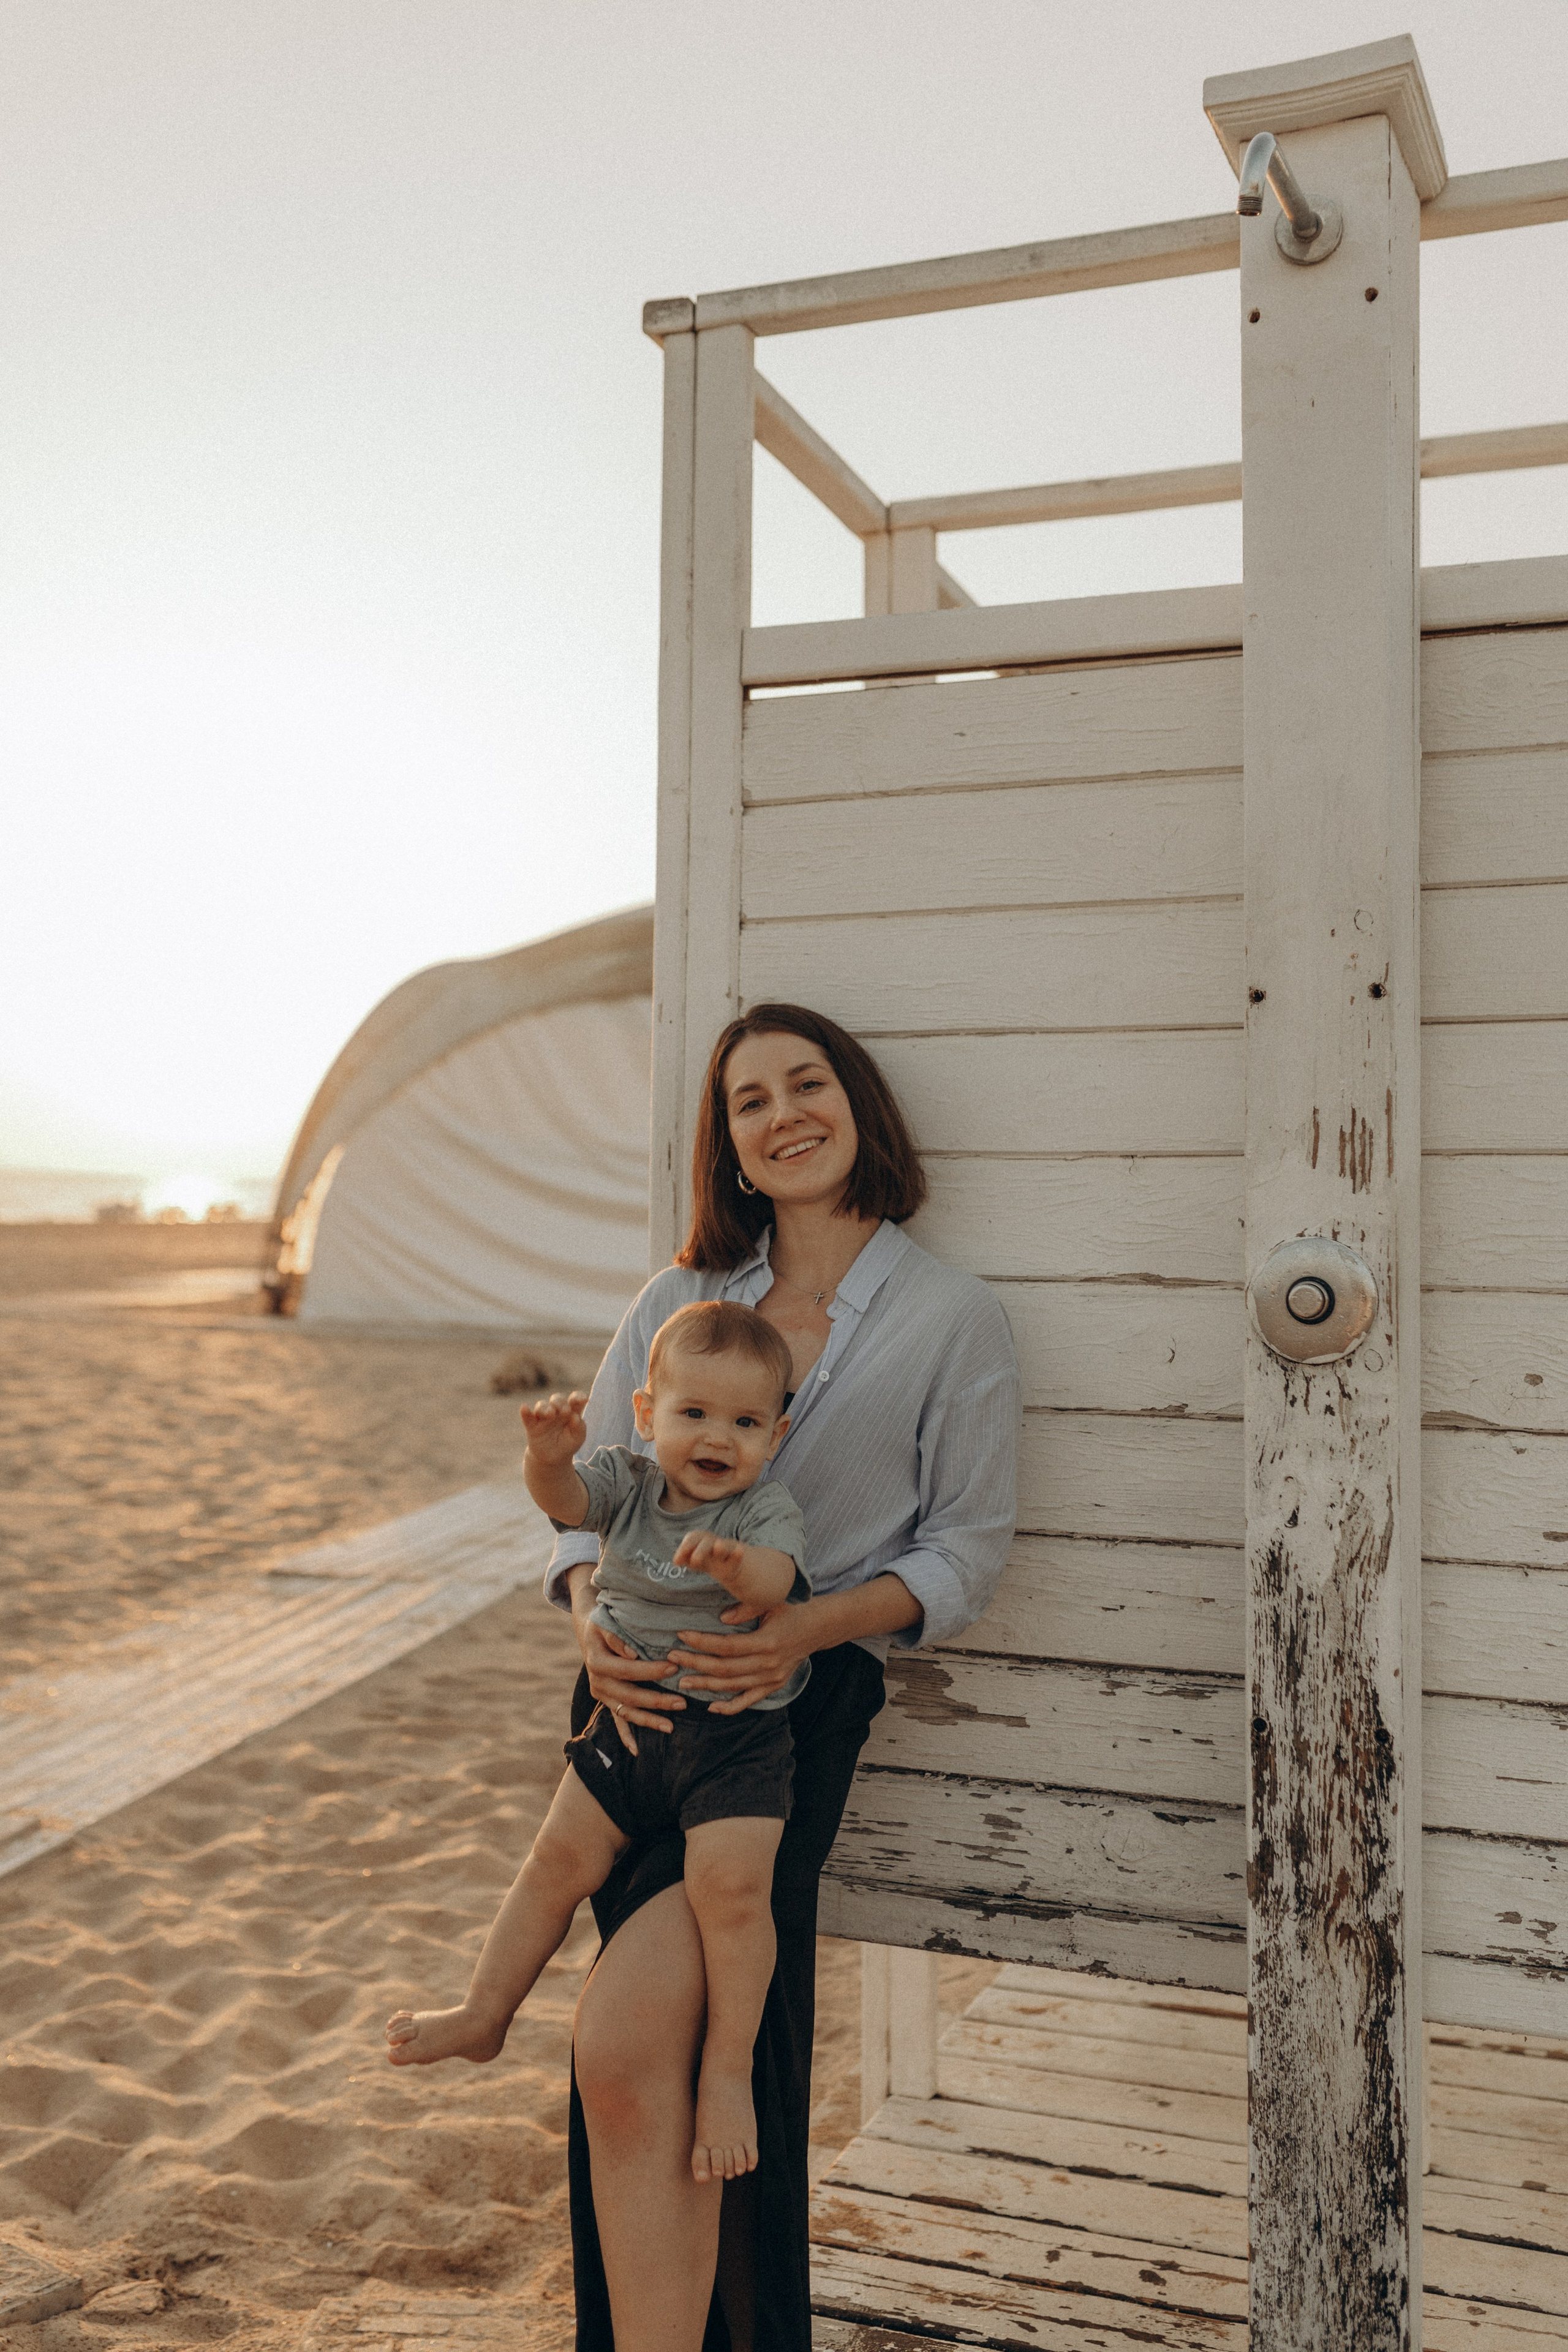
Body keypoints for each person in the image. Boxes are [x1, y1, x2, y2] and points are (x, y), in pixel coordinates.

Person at [554, 1002, 1019, 2352]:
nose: (780, 1115)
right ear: (731, 1148)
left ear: (858, 1109)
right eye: (748, 1102)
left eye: (805, 1084)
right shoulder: (672, 1303)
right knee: (642, 2075)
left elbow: (964, 1553)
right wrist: (587, 1616)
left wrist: (802, 1632)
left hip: (787, 1717)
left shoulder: (949, 1318)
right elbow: (588, 1504)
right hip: (630, 1703)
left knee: (671, 2061)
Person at [384, 1298, 813, 2188]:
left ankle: (726, 2071)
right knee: (554, 1863)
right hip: (626, 1723)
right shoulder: (622, 1477)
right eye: (693, 1413)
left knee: (731, 1893)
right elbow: (568, 1503)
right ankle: (484, 2010)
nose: (717, 1437)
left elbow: (776, 1582)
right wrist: (546, 1458)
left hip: (734, 1740)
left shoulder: (763, 1510)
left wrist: (739, 1569)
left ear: (775, 1436)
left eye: (744, 1422)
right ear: (648, 1413)